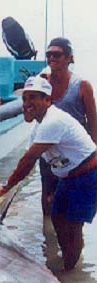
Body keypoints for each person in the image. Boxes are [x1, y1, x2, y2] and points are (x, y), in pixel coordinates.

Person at [0, 75, 97, 271]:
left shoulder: (53, 121)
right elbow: (28, 157)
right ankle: (69, 261)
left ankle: (70, 273)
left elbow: (28, 161)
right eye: (25, 98)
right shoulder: (39, 125)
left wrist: (5, 188)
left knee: (73, 227)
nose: (27, 103)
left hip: (87, 174)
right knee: (56, 217)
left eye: (34, 98)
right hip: (68, 175)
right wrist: (11, 185)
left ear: (48, 100)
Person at [40, 37, 97, 215]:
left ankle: (71, 241)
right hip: (49, 152)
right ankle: (47, 239)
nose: (52, 58)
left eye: (57, 54)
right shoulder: (42, 84)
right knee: (48, 195)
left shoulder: (82, 86)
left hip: (75, 155)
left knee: (72, 206)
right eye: (48, 54)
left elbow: (93, 123)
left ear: (69, 58)